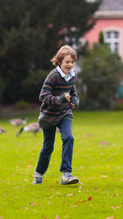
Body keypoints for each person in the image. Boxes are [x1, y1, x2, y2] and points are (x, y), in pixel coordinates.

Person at [33, 45, 80, 185]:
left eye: (72, 62)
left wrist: (75, 101)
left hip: (65, 113)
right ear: (59, 61)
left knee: (69, 138)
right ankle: (38, 174)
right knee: (48, 147)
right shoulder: (53, 76)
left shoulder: (73, 75)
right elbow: (43, 96)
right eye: (67, 62)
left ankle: (66, 174)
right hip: (49, 116)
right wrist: (59, 99)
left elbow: (73, 92)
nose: (70, 65)